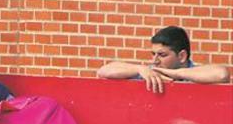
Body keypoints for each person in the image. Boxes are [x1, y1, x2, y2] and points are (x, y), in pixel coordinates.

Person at [97, 26, 230, 94]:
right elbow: (103, 71)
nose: (155, 60)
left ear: (182, 56)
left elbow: (222, 74)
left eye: (162, 55)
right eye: (153, 54)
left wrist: (177, 74)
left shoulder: (196, 74)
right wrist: (138, 68)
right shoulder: (149, 72)